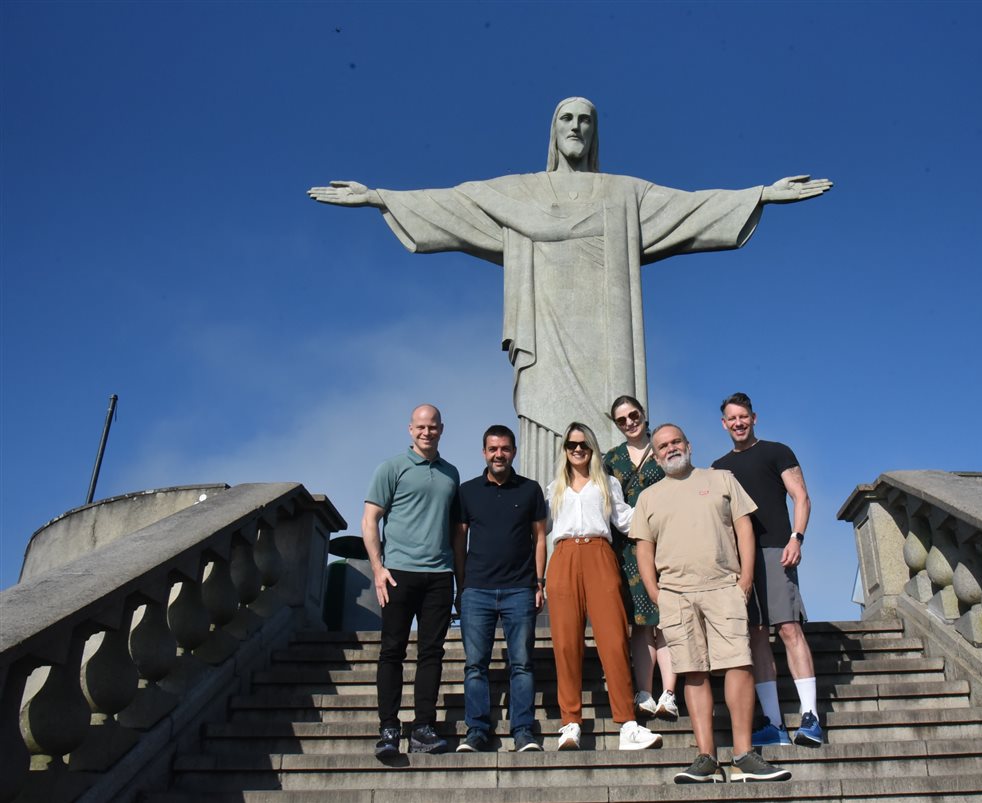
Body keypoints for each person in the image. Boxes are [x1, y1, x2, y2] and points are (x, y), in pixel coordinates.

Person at [308, 97, 833, 487]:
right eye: (566, 118)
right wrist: (380, 197)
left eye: (586, 119)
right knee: (546, 434)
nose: (576, 127)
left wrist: (760, 193)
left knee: (616, 426)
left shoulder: (624, 194)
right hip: (546, 334)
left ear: (595, 131)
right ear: (553, 131)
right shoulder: (521, 192)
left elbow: (690, 208)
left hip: (608, 341)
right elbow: (458, 204)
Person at [633, 424, 791, 784]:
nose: (671, 449)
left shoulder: (721, 479)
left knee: (739, 664)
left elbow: (744, 528)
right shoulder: (649, 497)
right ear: (656, 456)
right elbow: (644, 548)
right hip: (676, 593)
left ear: (688, 445)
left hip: (724, 587)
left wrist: (746, 579)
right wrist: (656, 593)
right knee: (693, 671)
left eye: (676, 442)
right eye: (663, 446)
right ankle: (705, 758)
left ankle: (743, 755)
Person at [712, 392, 823, 747]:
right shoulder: (718, 468)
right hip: (740, 560)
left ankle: (811, 718)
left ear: (754, 418)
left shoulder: (777, 451)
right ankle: (774, 724)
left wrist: (797, 538)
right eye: (732, 418)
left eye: (743, 416)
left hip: (777, 549)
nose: (738, 423)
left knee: (789, 628)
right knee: (757, 635)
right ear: (724, 423)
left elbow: (801, 496)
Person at [544, 422, 662, 752]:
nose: (577, 449)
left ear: (592, 448)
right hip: (564, 557)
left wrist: (661, 504)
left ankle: (627, 724)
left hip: (599, 553)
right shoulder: (553, 487)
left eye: (583, 444)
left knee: (612, 639)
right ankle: (570, 723)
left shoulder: (606, 483)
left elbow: (625, 519)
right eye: (571, 445)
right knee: (566, 645)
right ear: (564, 449)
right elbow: (539, 529)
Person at [364, 404, 461, 757]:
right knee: (392, 651)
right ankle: (389, 728)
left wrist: (458, 579)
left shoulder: (451, 474)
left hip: (438, 575)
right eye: (420, 427)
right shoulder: (391, 468)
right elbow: (370, 519)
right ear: (410, 429)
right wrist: (378, 568)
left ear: (441, 429)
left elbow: (455, 530)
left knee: (431, 653)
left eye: (432, 426)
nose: (427, 432)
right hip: (398, 573)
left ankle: (423, 726)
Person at [452, 425, 547, 753]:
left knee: (521, 663)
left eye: (505, 449)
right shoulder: (468, 491)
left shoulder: (530, 490)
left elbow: (540, 538)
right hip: (476, 590)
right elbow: (458, 540)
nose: (499, 454)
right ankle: (476, 730)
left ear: (514, 451)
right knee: (475, 664)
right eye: (493, 449)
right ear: (484, 452)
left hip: (520, 589)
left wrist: (539, 581)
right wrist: (461, 586)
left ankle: (523, 731)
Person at [602, 395, 677, 720]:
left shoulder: (662, 446)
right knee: (642, 623)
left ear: (644, 414)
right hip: (629, 548)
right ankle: (645, 691)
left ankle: (669, 694)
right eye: (622, 420)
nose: (630, 422)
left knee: (669, 620)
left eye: (634, 415)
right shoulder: (612, 458)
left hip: (667, 542)